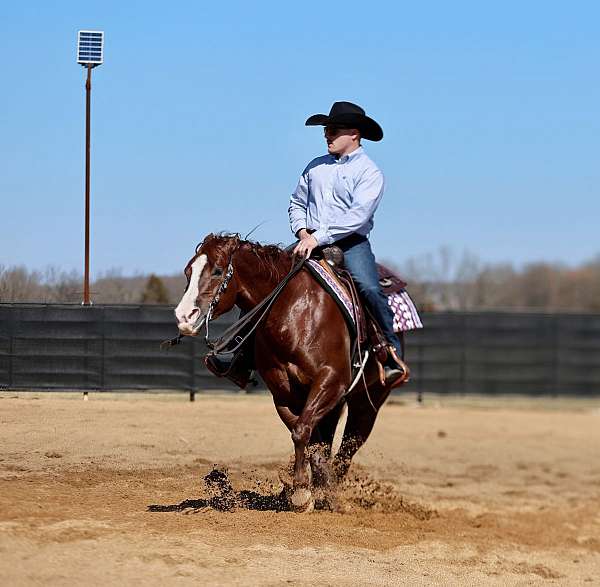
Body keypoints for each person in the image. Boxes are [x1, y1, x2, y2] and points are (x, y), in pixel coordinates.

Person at [289, 101, 407, 385]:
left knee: (368, 286)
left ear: (354, 133)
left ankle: (389, 352)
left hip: (351, 244)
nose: (327, 135)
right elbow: (296, 202)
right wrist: (303, 231)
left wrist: (318, 237)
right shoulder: (314, 167)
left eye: (333, 130)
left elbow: (357, 217)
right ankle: (241, 353)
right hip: (308, 240)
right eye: (326, 130)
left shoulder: (369, 172)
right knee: (268, 277)